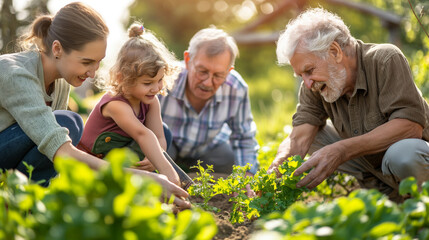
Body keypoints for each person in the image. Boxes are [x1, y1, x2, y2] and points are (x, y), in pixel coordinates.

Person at [0, 2, 189, 208]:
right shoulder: (16, 74)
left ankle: (31, 200)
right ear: (57, 49)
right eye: (87, 62)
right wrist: (140, 178)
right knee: (68, 122)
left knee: (67, 125)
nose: (93, 73)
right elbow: (61, 150)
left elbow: (51, 154)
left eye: (98, 62)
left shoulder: (61, 80)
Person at [268, 8, 429, 202]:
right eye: (301, 75)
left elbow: (410, 127)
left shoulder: (385, 59)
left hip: (415, 162)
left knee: (403, 154)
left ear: (335, 51)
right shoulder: (313, 86)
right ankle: (386, 196)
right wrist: (274, 170)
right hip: (375, 169)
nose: (308, 83)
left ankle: (422, 207)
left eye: (309, 70)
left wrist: (341, 150)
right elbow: (298, 138)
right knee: (314, 136)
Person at [78, 23, 181, 186]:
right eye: (147, 83)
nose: (155, 88)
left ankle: (139, 183)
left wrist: (153, 159)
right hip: (93, 164)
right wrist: (171, 176)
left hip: (120, 158)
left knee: (163, 134)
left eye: (159, 80)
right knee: (148, 141)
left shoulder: (151, 101)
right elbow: (142, 134)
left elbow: (159, 137)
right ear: (122, 79)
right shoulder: (115, 104)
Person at [158, 26, 260, 178]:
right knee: (158, 151)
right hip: (167, 145)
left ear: (228, 72)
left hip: (206, 150)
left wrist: (246, 176)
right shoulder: (164, 79)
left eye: (218, 75)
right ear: (187, 60)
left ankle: (190, 172)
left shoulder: (236, 88)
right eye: (202, 71)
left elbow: (243, 138)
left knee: (228, 158)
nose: (207, 83)